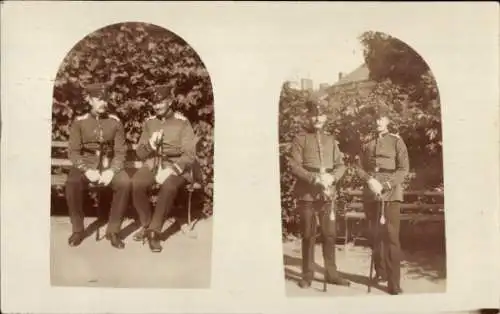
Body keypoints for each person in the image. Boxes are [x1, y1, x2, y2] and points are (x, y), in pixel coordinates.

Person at [288, 93, 351, 289]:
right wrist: (314, 179)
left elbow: (341, 165)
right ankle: (307, 275)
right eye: (313, 114)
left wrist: (332, 178)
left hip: (328, 192)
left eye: (321, 115)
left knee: (330, 234)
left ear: (325, 118)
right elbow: (294, 166)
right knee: (308, 234)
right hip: (307, 193)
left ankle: (331, 274)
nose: (317, 118)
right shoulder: (300, 139)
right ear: (309, 117)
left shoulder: (331, 139)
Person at [131, 84, 197, 253]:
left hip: (176, 167)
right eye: (154, 103)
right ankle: (146, 224)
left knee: (168, 186)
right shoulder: (149, 123)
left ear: (169, 101)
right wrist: (150, 145)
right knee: (136, 183)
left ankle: (154, 232)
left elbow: (189, 154)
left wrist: (170, 170)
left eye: (161, 101)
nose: (157, 106)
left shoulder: (182, 123)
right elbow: (139, 153)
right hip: (153, 164)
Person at [66, 82, 131, 249]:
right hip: (85, 165)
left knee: (124, 183)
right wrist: (86, 170)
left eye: (105, 99)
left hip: (108, 165)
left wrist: (112, 171)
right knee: (72, 183)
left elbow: (121, 151)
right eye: (98, 99)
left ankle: (113, 231)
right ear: (89, 100)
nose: (103, 103)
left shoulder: (115, 122)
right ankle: (78, 230)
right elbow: (73, 152)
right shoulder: (79, 122)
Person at [354, 103, 410, 295]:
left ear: (388, 121)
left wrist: (386, 185)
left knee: (392, 238)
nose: (378, 122)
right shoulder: (367, 142)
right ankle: (381, 272)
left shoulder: (396, 141)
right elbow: (358, 167)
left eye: (382, 118)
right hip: (371, 193)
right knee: (375, 236)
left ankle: (394, 282)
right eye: (375, 119)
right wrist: (369, 180)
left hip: (391, 193)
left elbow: (403, 169)